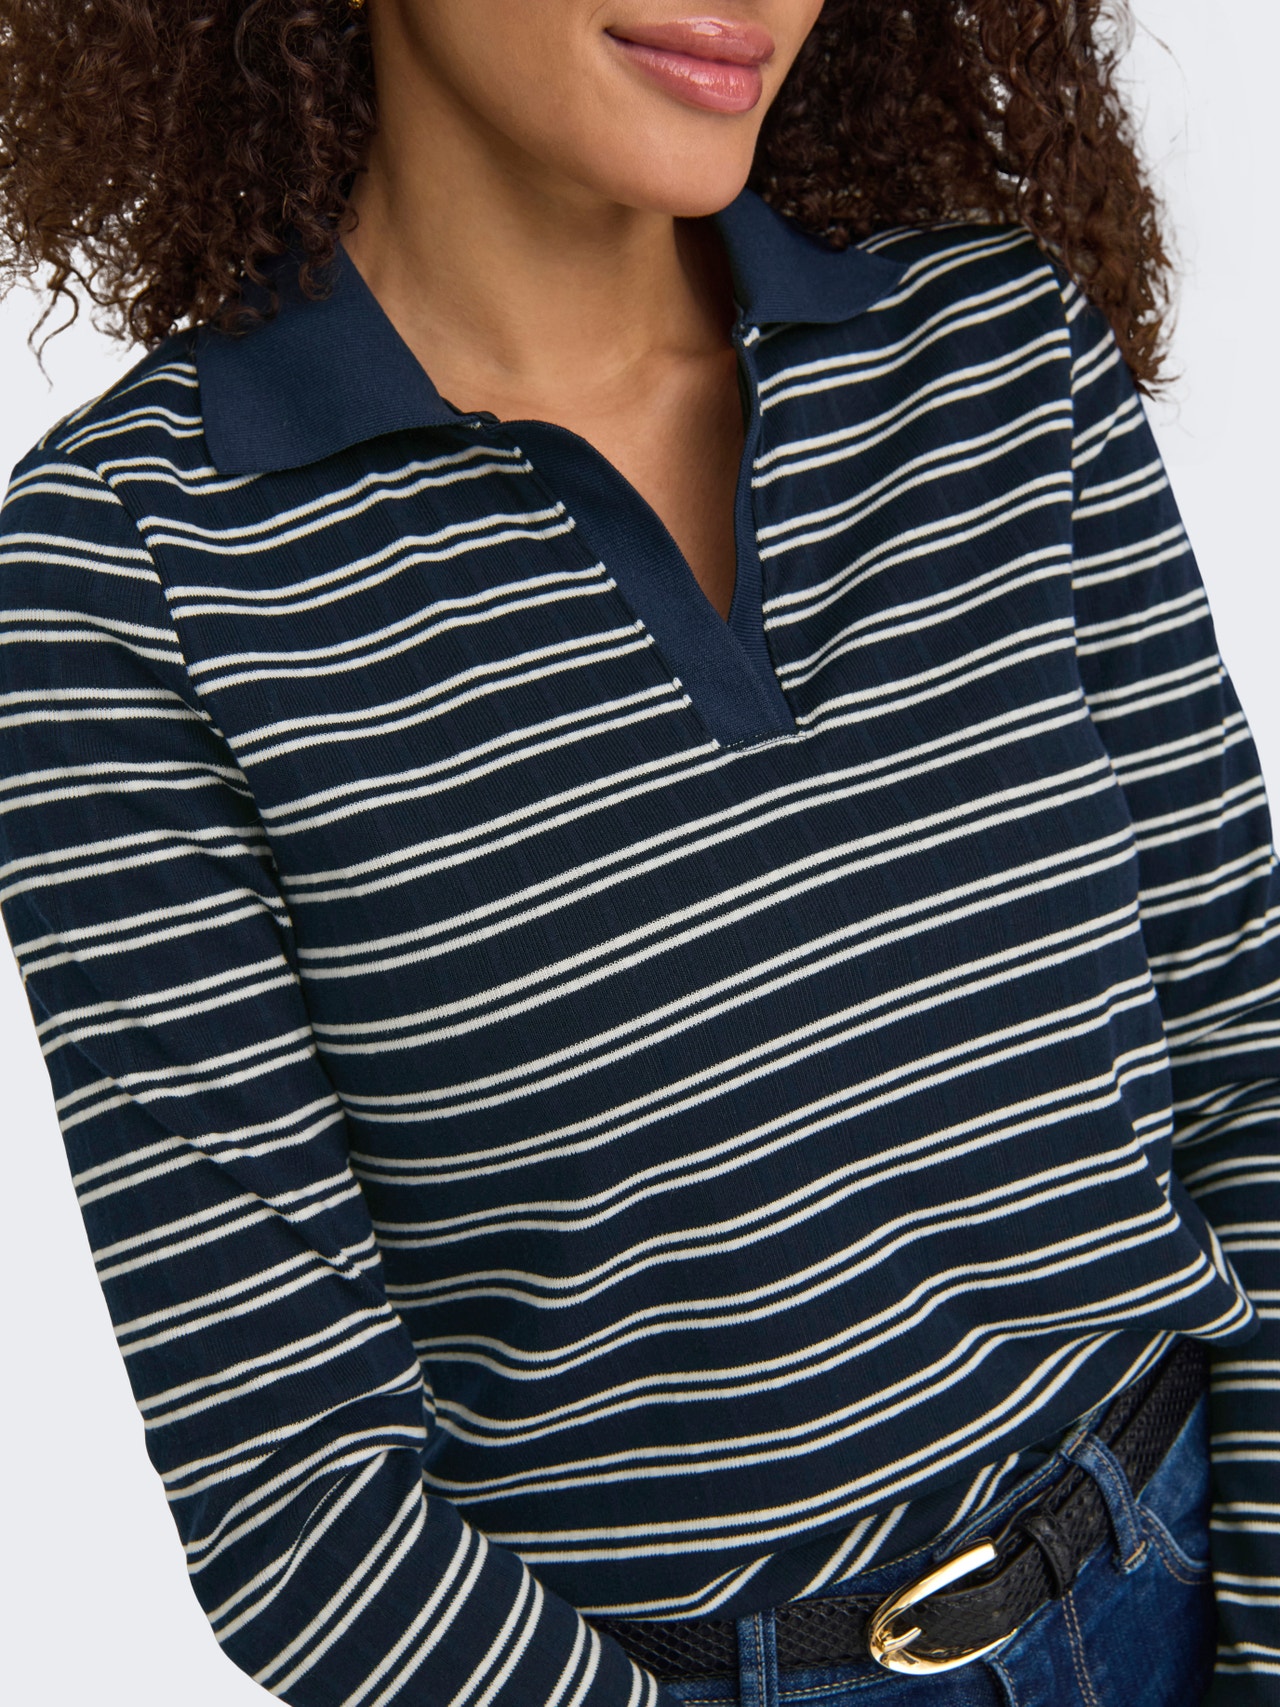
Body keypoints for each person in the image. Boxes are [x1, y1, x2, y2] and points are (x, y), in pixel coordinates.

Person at [0, 2, 1276, 1704]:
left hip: (1197, 1557)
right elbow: (297, 1506)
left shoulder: (998, 353)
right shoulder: (134, 575)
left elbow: (1247, 1064)